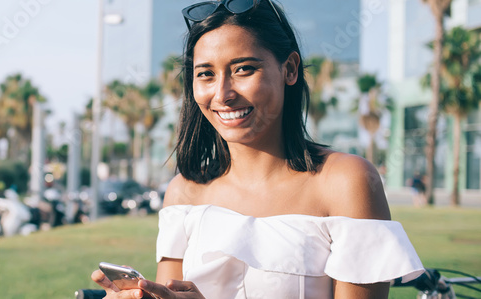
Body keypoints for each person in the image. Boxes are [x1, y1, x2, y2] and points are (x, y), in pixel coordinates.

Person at [92, 0, 425, 298]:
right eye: (206, 74)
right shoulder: (184, 193)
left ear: (290, 69)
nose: (222, 94)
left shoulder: (346, 181)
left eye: (243, 70)